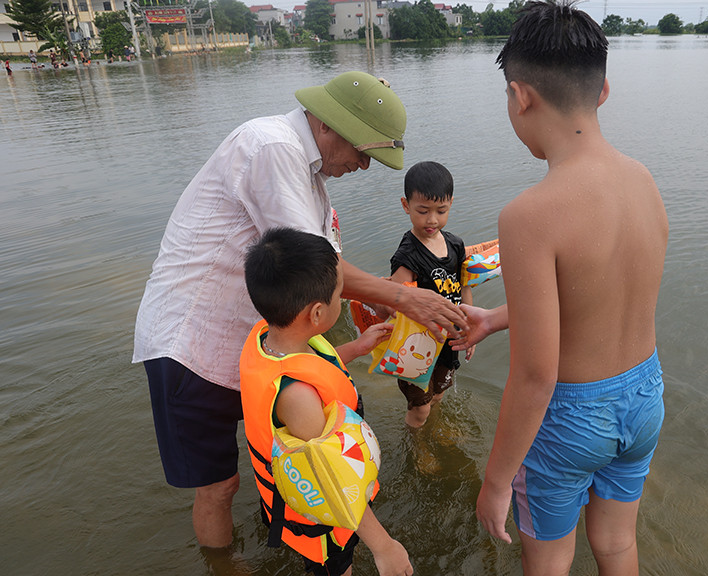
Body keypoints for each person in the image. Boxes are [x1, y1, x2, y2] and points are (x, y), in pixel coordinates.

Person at [133, 71, 466, 549]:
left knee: (287, 459)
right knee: (219, 486)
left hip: (262, 342)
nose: (365, 166)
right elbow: (316, 268)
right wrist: (401, 296)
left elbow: (322, 266)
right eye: (364, 153)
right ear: (330, 126)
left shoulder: (308, 171)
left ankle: (288, 536)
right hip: (194, 344)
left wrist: (375, 309)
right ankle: (227, 563)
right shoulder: (273, 149)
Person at [455, 3, 669, 575]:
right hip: (645, 392)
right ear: (603, 91)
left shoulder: (530, 214)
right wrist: (498, 316)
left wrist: (496, 482)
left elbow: (535, 373)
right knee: (617, 542)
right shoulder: (643, 180)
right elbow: (602, 292)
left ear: (521, 96)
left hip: (573, 416)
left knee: (549, 560)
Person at [240, 227, 412, 576]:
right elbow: (331, 480)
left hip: (287, 484)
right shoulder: (296, 398)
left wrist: (357, 348)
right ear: (317, 314)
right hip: (322, 513)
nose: (343, 300)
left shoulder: (270, 334)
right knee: (336, 567)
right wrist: (384, 547)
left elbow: (313, 365)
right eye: (339, 295)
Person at [389, 161, 475, 427]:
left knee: (438, 394)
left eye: (441, 210)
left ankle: (433, 431)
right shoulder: (407, 256)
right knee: (420, 407)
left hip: (448, 341)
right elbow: (395, 303)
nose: (432, 220)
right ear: (406, 206)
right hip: (418, 345)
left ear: (451, 203)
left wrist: (468, 326)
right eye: (423, 211)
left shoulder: (455, 244)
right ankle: (418, 445)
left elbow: (464, 286)